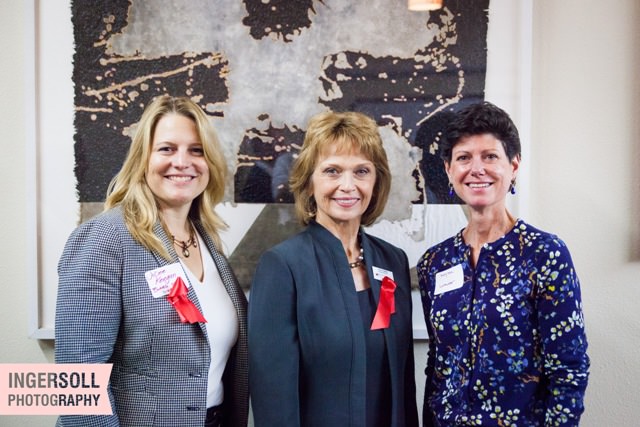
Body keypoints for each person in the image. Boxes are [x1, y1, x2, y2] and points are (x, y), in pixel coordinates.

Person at [55, 95, 248, 427]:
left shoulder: (207, 240)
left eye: (196, 150)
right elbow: (77, 380)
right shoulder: (104, 239)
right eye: (167, 149)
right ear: (142, 159)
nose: (182, 162)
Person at [417, 101, 590, 427]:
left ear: (514, 165)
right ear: (448, 169)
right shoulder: (435, 263)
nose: (476, 168)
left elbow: (568, 368)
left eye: (490, 156)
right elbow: (438, 364)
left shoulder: (545, 254)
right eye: (464, 157)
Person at [248, 111, 419, 427]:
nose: (348, 185)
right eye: (332, 171)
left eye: (361, 171)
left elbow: (404, 383)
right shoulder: (282, 267)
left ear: (376, 180)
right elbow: (274, 401)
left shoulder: (392, 262)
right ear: (309, 182)